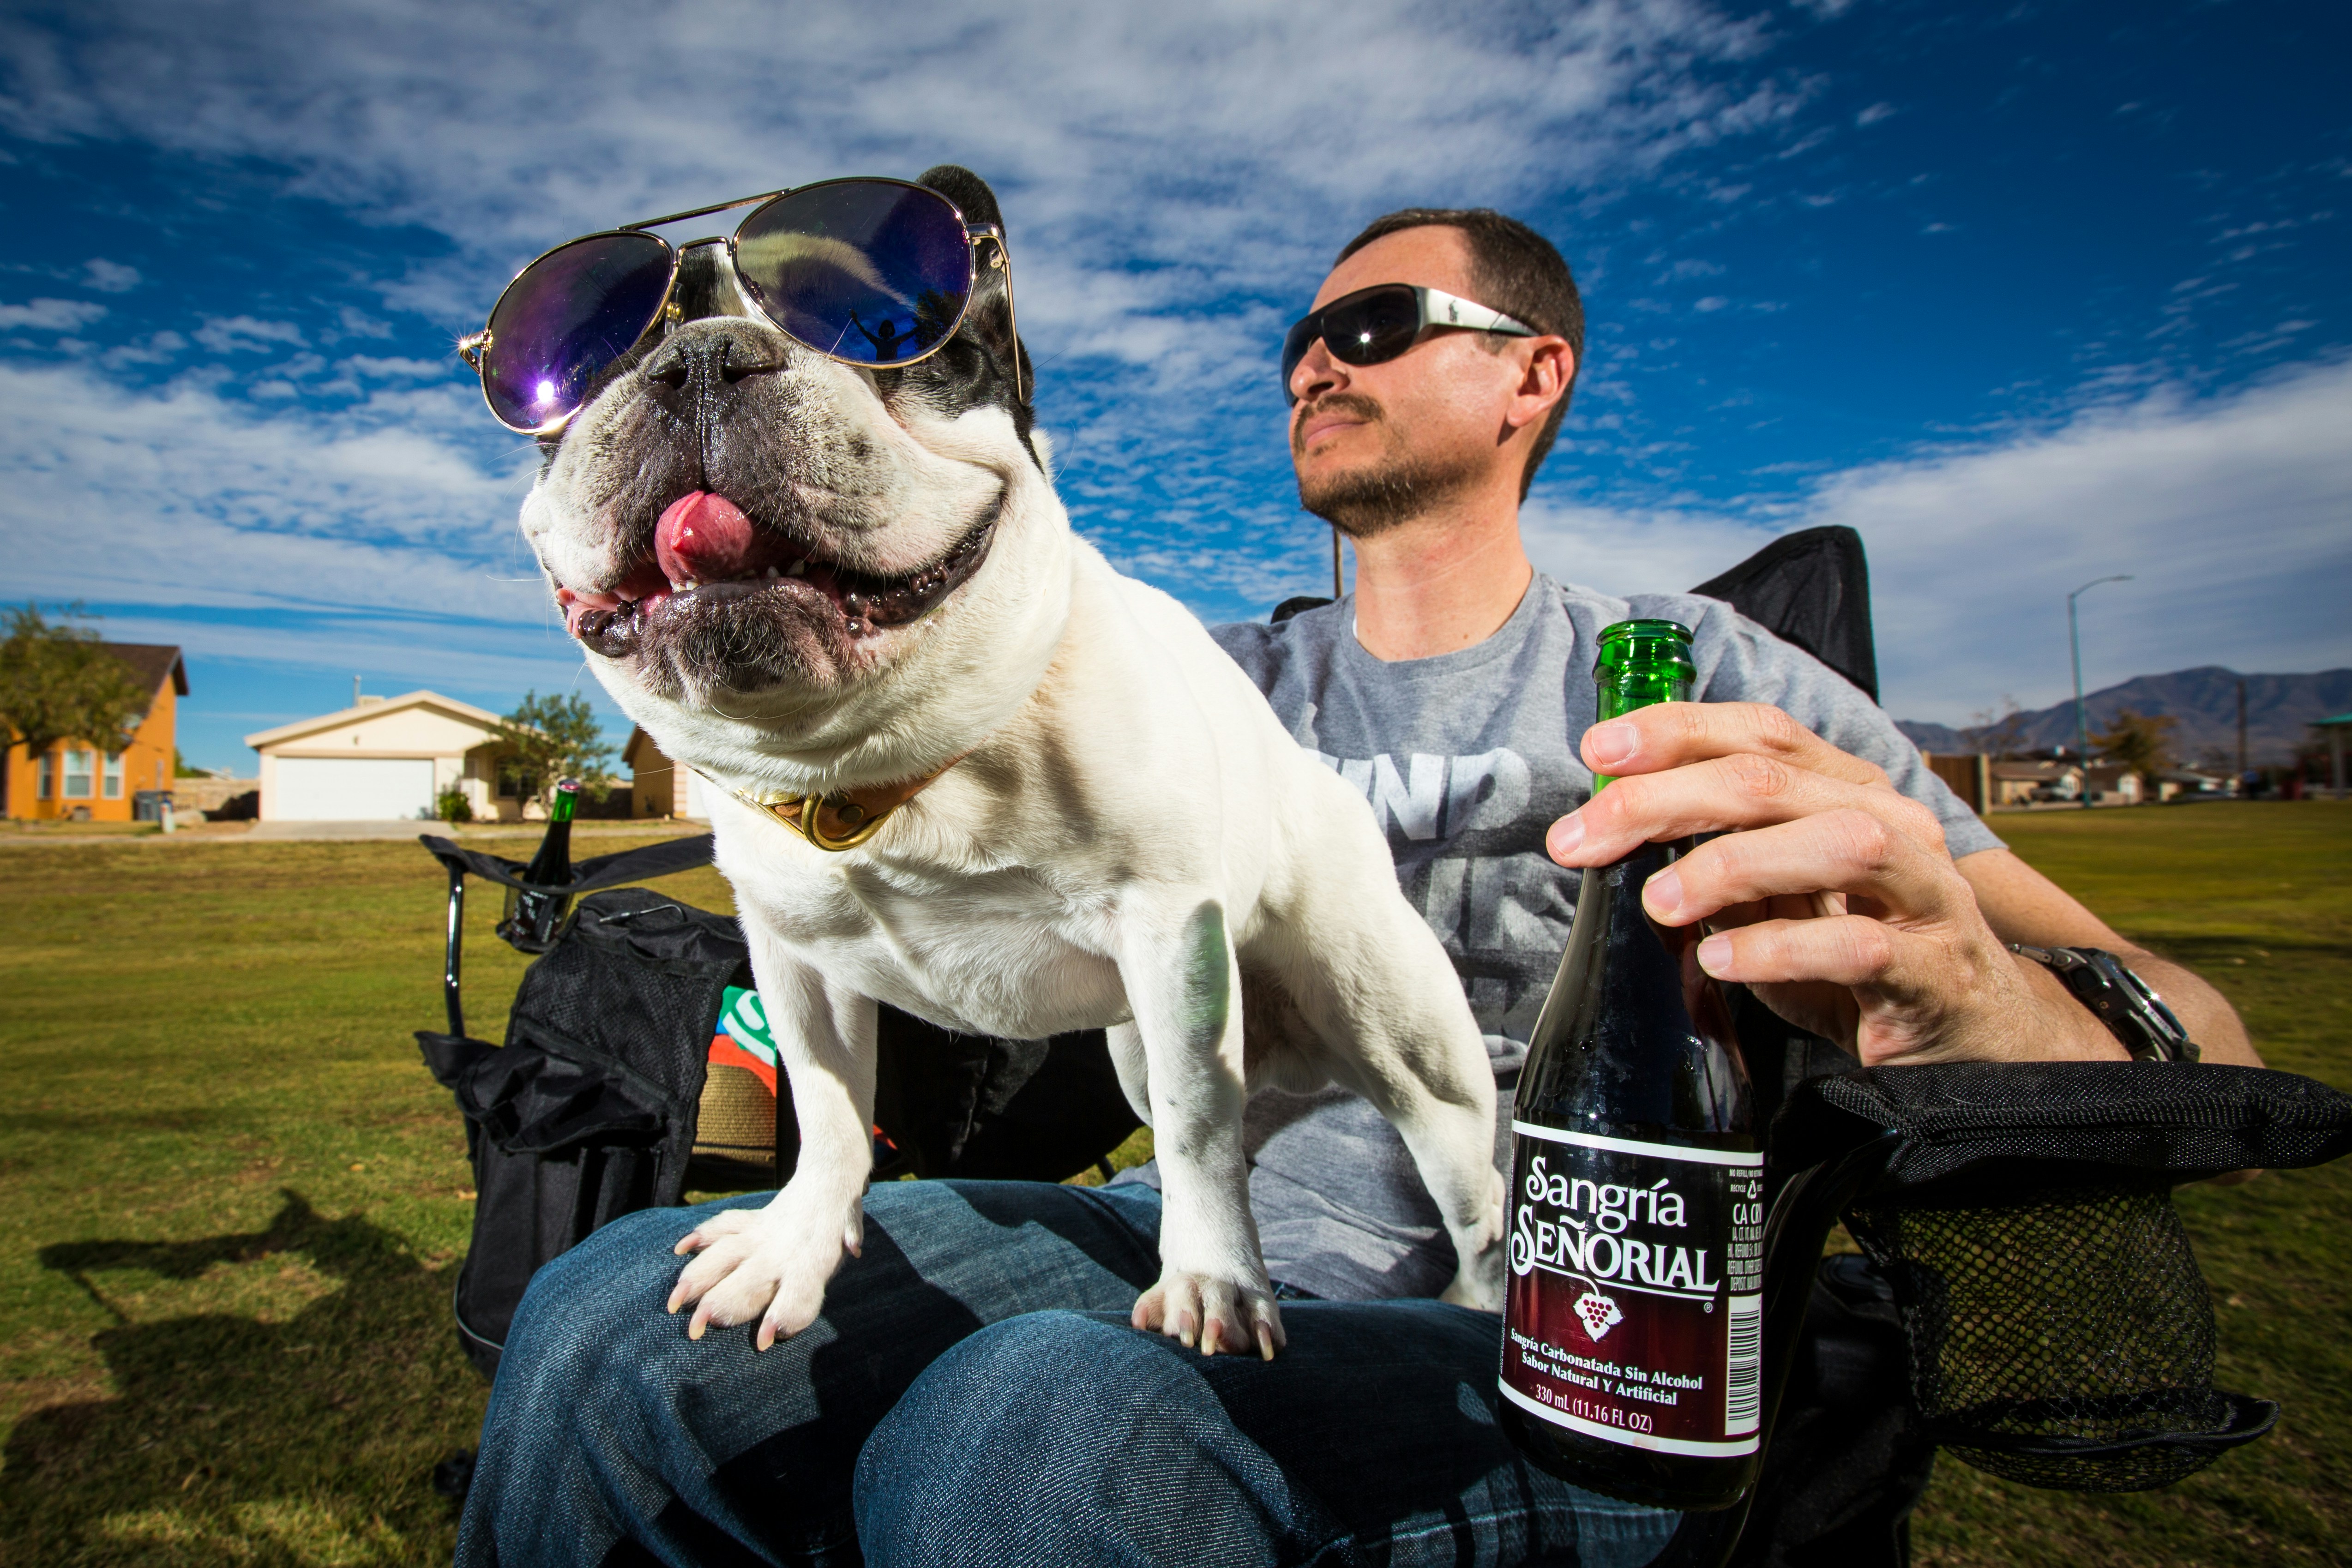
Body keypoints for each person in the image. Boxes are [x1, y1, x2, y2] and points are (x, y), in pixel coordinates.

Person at [455, 209, 2257, 1568]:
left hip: (1568, 1320)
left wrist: (1973, 999)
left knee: (1048, 1423)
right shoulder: (1171, 676)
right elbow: (858, 777)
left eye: (1376, 325)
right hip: (1198, 1234)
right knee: (609, 1319)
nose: (1316, 360)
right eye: (1303, 338)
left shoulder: (1689, 667)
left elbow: (2200, 1033)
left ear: (1529, 375)